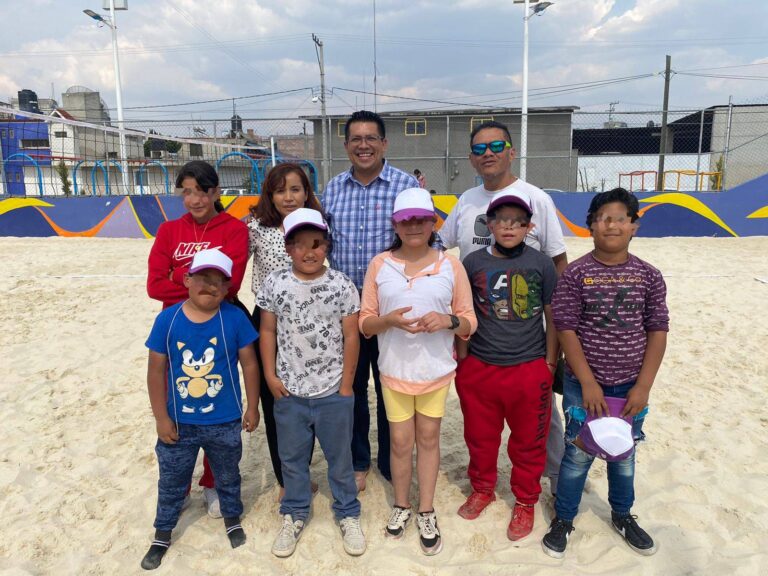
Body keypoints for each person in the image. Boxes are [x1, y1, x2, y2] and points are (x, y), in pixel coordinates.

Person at [438, 120, 568, 497]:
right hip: (481, 344)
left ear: (512, 152)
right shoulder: (466, 201)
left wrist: (556, 349)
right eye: (479, 149)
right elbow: (439, 248)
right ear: (471, 159)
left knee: (543, 420)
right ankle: (485, 486)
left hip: (528, 342)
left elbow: (558, 262)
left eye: (496, 146)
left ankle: (554, 481)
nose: (488, 154)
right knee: (482, 428)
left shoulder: (536, 198)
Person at [541, 188, 668, 559]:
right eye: (603, 218)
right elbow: (566, 329)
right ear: (590, 226)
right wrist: (588, 383)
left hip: (631, 385)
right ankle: (564, 518)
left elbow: (657, 330)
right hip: (583, 386)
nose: (612, 225)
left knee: (623, 453)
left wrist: (643, 387)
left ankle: (622, 514)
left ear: (634, 226)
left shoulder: (648, 275)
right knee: (578, 454)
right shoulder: (576, 274)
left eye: (620, 218)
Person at [359, 188, 476, 556]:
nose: (413, 226)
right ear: (395, 224)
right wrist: (388, 321)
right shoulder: (380, 265)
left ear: (433, 223)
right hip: (394, 370)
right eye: (405, 220)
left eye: (421, 219)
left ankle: (426, 509)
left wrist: (448, 320)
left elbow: (469, 321)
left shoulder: (450, 266)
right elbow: (365, 322)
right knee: (399, 442)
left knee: (428, 438)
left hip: (434, 372)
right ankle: (401, 504)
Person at [257, 208, 366, 558]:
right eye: (300, 244)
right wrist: (270, 375)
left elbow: (351, 336)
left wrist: (347, 386)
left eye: (316, 243)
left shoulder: (341, 284)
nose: (309, 251)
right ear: (288, 248)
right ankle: (294, 512)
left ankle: (347, 512)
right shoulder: (275, 283)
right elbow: (268, 330)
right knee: (292, 459)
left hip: (333, 391)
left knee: (340, 458)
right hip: (289, 393)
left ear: (327, 246)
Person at [141, 248, 259, 570]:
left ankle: (232, 517)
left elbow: (249, 364)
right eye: (203, 278)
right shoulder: (168, 319)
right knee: (171, 480)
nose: (211, 286)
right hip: (179, 423)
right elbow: (156, 371)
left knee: (228, 474)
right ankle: (162, 533)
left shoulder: (234, 318)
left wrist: (252, 407)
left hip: (225, 420)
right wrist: (161, 417)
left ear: (228, 287)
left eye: (219, 281)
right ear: (187, 279)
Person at [322, 110, 419, 491]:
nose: (364, 145)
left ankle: (392, 460)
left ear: (384, 143)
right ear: (346, 145)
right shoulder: (333, 189)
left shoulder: (405, 185)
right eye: (356, 139)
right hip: (347, 310)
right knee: (352, 386)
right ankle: (358, 459)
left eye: (371, 138)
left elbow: (428, 239)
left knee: (392, 385)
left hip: (392, 309)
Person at [147, 160, 249, 518]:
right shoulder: (169, 231)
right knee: (177, 399)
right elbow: (153, 285)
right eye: (187, 192)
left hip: (218, 327)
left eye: (202, 191)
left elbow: (229, 286)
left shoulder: (234, 229)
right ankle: (180, 483)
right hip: (177, 328)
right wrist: (197, 284)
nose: (194, 199)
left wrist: (178, 275)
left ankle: (212, 483)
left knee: (215, 401)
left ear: (216, 191)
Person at [456, 189, 558, 541]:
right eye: (502, 220)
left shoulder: (541, 263)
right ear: (490, 225)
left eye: (518, 221)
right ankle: (482, 488)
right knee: (480, 437)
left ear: (529, 227)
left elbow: (552, 315)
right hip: (481, 366)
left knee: (529, 441)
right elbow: (463, 312)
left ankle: (526, 500)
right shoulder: (473, 263)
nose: (509, 227)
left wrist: (550, 361)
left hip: (529, 367)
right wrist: (464, 360)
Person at [247, 163, 323, 499]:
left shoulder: (318, 223)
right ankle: (286, 480)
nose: (288, 197)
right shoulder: (256, 228)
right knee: (275, 400)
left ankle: (301, 470)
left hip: (310, 320)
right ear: (270, 194)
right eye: (280, 190)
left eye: (295, 189)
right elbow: (231, 268)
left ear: (306, 192)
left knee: (306, 398)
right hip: (267, 321)